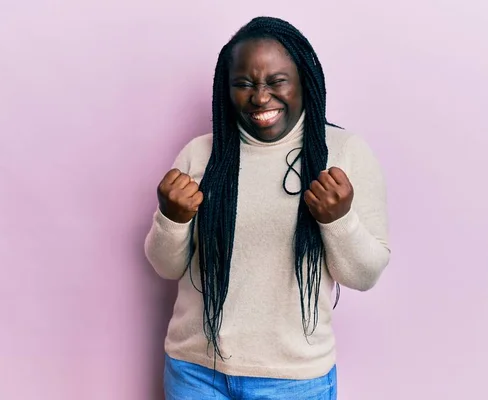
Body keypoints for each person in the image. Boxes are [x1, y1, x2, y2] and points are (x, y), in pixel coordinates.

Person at [144, 16, 391, 400]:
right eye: (244, 84)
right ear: (226, 90)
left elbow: (364, 275)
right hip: (195, 372)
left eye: (277, 82)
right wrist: (172, 220)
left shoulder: (343, 153)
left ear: (303, 82)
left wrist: (338, 221)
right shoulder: (200, 154)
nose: (260, 98)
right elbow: (166, 266)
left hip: (292, 379)